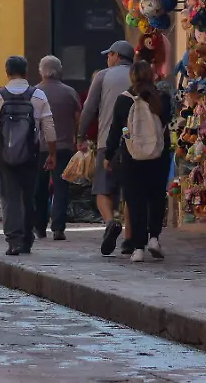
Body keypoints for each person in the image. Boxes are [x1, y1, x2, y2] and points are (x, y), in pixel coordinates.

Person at [0, 55, 58, 256]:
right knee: (29, 196)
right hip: (31, 154)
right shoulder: (38, 95)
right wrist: (51, 152)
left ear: (7, 73)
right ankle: (27, 239)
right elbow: (49, 127)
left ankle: (13, 241)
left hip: (4, 155)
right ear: (26, 72)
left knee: (9, 197)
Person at [105, 60, 173, 262]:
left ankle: (138, 248)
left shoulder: (123, 100)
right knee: (156, 197)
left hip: (131, 157)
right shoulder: (162, 98)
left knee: (135, 201)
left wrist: (120, 145)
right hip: (158, 157)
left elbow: (119, 129)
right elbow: (163, 126)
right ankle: (154, 238)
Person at [78, 40, 134, 256]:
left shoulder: (103, 76)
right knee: (130, 193)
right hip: (135, 144)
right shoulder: (139, 74)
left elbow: (89, 108)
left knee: (102, 189)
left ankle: (110, 222)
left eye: (108, 55)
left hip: (107, 143)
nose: (106, 59)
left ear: (116, 56)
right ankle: (129, 239)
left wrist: (81, 134)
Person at [35, 55, 81, 241]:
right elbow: (77, 119)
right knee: (61, 188)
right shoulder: (70, 93)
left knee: (39, 188)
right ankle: (58, 228)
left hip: (39, 148)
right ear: (59, 70)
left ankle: (39, 227)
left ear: (41, 71)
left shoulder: (34, 93)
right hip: (63, 147)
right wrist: (76, 137)